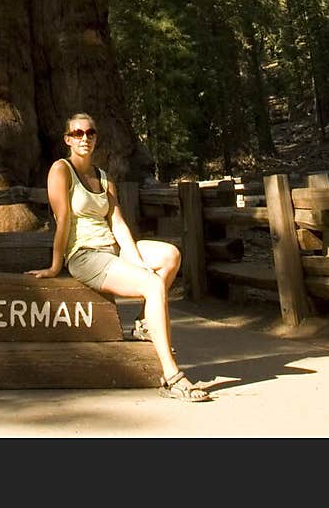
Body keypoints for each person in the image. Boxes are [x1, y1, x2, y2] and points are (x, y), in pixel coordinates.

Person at [27, 111, 213, 401]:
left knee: (170, 256)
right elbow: (62, 219)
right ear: (67, 139)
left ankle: (142, 324)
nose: (84, 138)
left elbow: (118, 223)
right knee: (152, 286)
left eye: (90, 133)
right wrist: (55, 265)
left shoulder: (103, 177)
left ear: (96, 137)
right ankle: (172, 376)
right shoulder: (60, 170)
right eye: (77, 133)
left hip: (112, 249)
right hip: (85, 255)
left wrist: (137, 261)